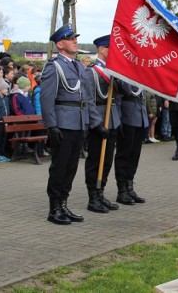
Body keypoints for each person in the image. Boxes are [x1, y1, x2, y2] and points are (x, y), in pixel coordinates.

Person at [41, 24, 91, 225]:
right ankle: (54, 208)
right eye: (71, 39)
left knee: (71, 167)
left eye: (75, 38)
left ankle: (64, 204)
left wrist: (86, 123)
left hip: (77, 122)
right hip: (62, 123)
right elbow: (47, 99)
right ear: (60, 44)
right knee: (60, 167)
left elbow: (84, 97)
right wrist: (51, 126)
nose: (75, 41)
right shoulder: (54, 67)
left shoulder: (78, 66)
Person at [85, 35, 119, 214]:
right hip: (98, 119)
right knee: (95, 160)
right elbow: (89, 100)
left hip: (112, 119)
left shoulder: (113, 71)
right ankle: (93, 197)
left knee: (106, 161)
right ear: (102, 49)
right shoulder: (91, 71)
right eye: (110, 48)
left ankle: (101, 192)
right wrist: (97, 123)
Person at [114, 79, 150, 205]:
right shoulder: (125, 74)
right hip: (127, 116)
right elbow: (118, 97)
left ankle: (130, 186)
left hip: (140, 116)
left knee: (135, 155)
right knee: (124, 154)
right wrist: (118, 118)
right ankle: (122, 190)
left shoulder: (141, 74)